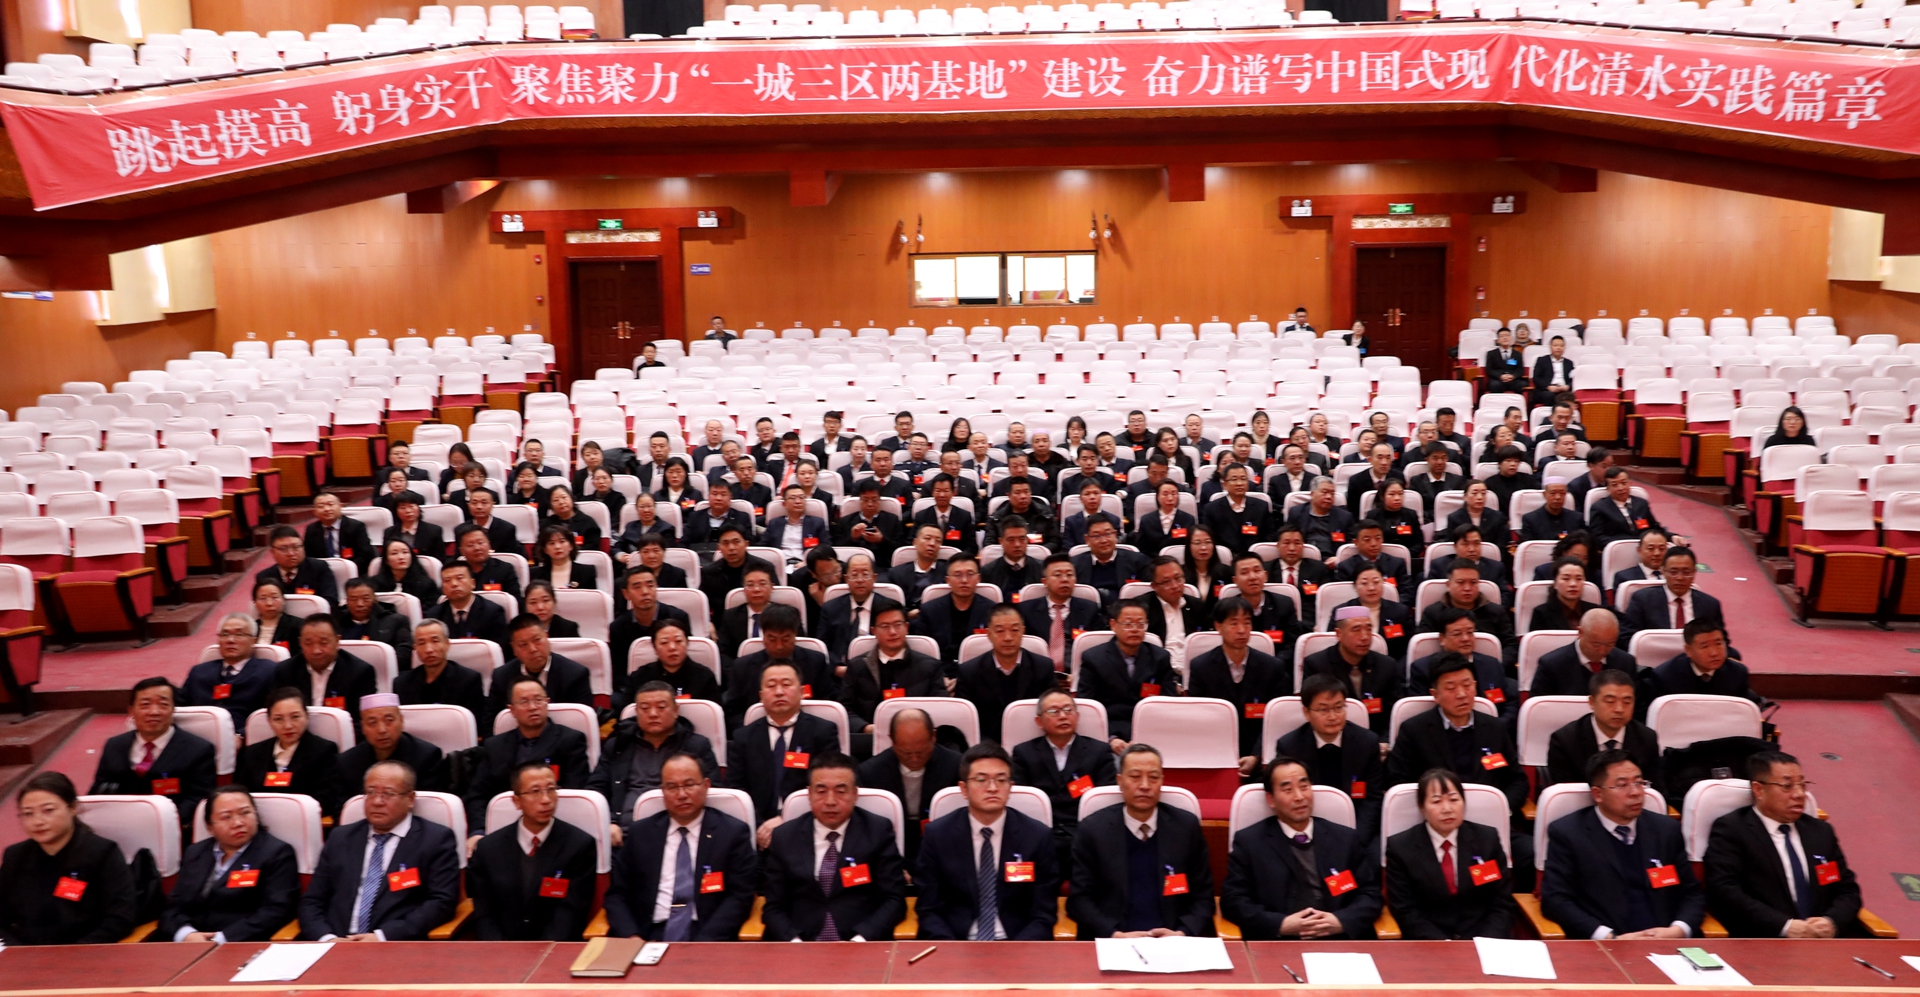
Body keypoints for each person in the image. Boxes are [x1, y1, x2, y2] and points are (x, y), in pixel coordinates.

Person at [1540, 749, 1705, 940]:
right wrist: (1608, 937)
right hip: (1607, 946)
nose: (1635, 792)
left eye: (1639, 783)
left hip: (1666, 941)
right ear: (1598, 794)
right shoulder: (1569, 833)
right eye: (1622, 785)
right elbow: (1555, 900)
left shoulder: (1666, 830)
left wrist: (1678, 930)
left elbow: (1692, 893)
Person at [1705, 750, 1865, 938]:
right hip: (1764, 939)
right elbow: (1724, 891)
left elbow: (1847, 890)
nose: (1799, 794)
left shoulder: (1821, 832)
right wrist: (1784, 926)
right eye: (1787, 786)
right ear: (1758, 790)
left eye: (1802, 785)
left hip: (1822, 941)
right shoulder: (1732, 830)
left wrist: (1832, 922)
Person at [1385, 653, 1528, 862]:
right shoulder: (1414, 730)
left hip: (1488, 827)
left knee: (1530, 853)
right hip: (1435, 829)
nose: (1461, 694)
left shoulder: (1494, 728)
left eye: (1467, 685)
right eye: (1451, 688)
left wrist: (1500, 808)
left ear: (1475, 686)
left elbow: (1517, 780)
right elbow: (1397, 782)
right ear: (1435, 694)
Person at [298, 760, 461, 941]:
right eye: (371, 792)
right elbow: (312, 900)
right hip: (336, 942)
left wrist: (382, 937)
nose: (377, 801)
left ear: (410, 799)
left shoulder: (435, 840)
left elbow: (441, 902)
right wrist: (326, 938)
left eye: (388, 794)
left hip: (394, 943)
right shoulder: (341, 837)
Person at [1221, 755, 1381, 939]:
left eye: (1304, 787)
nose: (1299, 797)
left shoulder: (1345, 838)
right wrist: (1280, 924)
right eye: (1288, 790)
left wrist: (1341, 921)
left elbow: (1371, 895)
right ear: (1271, 799)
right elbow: (1233, 901)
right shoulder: (1250, 842)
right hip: (1279, 943)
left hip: (1338, 940)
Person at [604, 751, 760, 940]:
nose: (682, 795)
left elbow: (740, 897)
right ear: (663, 791)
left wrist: (704, 944)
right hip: (649, 933)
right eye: (672, 787)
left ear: (706, 786)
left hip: (707, 933)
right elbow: (617, 894)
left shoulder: (731, 833)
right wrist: (631, 937)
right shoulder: (641, 834)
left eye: (689, 785)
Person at [914, 742, 1061, 940]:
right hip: (956, 941)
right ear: (964, 789)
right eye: (981, 779)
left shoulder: (1036, 836)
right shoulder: (938, 835)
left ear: (1010, 787)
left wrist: (1018, 951)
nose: (992, 788)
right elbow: (928, 909)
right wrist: (951, 950)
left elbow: (1044, 913)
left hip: (1017, 943)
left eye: (1001, 780)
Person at [1068, 744, 1215, 938]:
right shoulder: (1093, 830)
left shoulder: (1186, 827)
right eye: (1135, 776)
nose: (1145, 785)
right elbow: (1079, 900)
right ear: (1120, 781)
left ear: (1161, 781)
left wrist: (1182, 933)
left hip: (1174, 939)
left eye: (1153, 777)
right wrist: (1114, 934)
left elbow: (1204, 897)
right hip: (1114, 940)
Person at [761, 753, 908, 942]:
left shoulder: (877, 832)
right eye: (821, 791)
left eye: (841, 791)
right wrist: (794, 942)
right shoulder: (785, 837)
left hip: (861, 941)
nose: (830, 801)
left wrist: (861, 940)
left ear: (854, 795)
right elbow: (773, 907)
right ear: (809, 794)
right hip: (801, 941)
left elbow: (894, 900)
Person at [0, 771, 137, 945]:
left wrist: (74, 952)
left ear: (73, 808)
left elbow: (120, 917)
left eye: (48, 811)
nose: (38, 821)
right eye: (28, 814)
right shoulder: (15, 856)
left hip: (85, 952)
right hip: (25, 953)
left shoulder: (102, 852)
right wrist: (15, 950)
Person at [464, 762, 597, 941]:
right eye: (535, 791)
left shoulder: (579, 845)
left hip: (556, 947)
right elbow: (485, 913)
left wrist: (542, 950)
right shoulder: (488, 848)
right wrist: (498, 950)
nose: (546, 799)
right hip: (501, 948)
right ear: (517, 801)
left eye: (551, 789)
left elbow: (571, 912)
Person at [1385, 767, 1517, 940]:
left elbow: (1502, 904)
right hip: (1429, 941)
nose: (1447, 809)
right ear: (1422, 807)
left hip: (1484, 939)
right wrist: (1443, 945)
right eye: (1436, 801)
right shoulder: (1401, 848)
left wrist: (1485, 942)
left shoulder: (1487, 840)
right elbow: (1405, 911)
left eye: (1454, 799)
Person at [156, 785, 301, 943]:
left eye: (245, 813)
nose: (238, 823)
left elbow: (276, 910)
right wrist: (186, 934)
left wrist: (221, 939)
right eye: (226, 817)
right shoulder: (195, 852)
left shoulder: (276, 853)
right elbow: (173, 907)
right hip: (189, 943)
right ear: (210, 827)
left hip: (240, 942)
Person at [591, 682, 721, 842]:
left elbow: (713, 792)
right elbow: (596, 789)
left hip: (679, 833)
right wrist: (609, 822)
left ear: (675, 711)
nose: (653, 714)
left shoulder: (696, 746)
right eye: (645, 708)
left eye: (661, 707)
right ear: (637, 712)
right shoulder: (618, 745)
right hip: (623, 835)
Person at [463, 678, 591, 836]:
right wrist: (479, 831)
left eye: (538, 700)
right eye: (524, 702)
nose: (533, 707)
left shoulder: (570, 740)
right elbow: (478, 796)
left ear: (547, 703)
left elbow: (574, 793)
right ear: (512, 710)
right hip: (502, 828)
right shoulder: (495, 746)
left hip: (553, 826)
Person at [727, 662, 843, 836]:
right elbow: (736, 789)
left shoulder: (822, 732)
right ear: (761, 696)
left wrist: (786, 817)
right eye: (771, 686)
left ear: (802, 692)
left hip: (807, 826)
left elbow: (827, 784)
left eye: (786, 684)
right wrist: (760, 826)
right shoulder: (743, 737)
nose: (779, 692)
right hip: (757, 830)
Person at [90, 677, 216, 833]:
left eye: (163, 704)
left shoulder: (199, 749)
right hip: (118, 826)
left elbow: (198, 799)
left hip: (171, 828)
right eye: (145, 705)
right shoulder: (114, 745)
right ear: (131, 711)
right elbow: (99, 789)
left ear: (173, 709)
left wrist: (158, 822)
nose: (154, 712)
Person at [1185, 597, 1290, 774]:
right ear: (1218, 626)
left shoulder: (1272, 667)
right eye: (1234, 624)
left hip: (1262, 759)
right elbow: (1198, 720)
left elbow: (1277, 720)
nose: (1241, 630)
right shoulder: (1201, 667)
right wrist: (1222, 757)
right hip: (1214, 756)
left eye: (1247, 623)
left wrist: (1256, 756)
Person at [1275, 675, 1383, 842]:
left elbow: (1373, 799)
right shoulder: (1290, 747)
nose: (1333, 716)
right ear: (1306, 712)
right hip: (1309, 828)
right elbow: (1289, 799)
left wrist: (1356, 839)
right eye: (1323, 710)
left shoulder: (1367, 743)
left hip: (1358, 829)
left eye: (1339, 708)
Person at [857, 709, 960, 865]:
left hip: (944, 848)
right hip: (892, 848)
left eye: (921, 752)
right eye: (906, 753)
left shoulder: (956, 766)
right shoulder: (870, 772)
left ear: (933, 737)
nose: (914, 759)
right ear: (892, 740)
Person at [1076, 600, 1178, 746]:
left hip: (1151, 729)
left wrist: (1146, 737)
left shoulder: (1160, 657)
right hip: (1109, 730)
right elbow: (1089, 708)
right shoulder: (1093, 658)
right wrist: (1110, 739)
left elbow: (1168, 703)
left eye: (1140, 624)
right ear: (1113, 625)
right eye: (1128, 624)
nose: (1135, 629)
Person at [839, 604, 944, 740]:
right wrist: (865, 727)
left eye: (898, 625)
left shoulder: (930, 667)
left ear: (907, 627)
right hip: (869, 738)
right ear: (873, 631)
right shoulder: (857, 666)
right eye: (885, 626)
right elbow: (845, 709)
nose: (893, 632)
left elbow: (940, 709)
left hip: (916, 738)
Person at [957, 604, 1057, 744]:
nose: (1008, 637)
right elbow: (965, 721)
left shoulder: (1043, 667)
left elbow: (1053, 709)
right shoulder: (969, 671)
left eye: (1015, 630)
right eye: (1000, 631)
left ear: (1023, 632)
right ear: (989, 635)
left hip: (1034, 744)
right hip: (986, 746)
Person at [726, 603, 835, 727]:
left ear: (795, 635)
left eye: (785, 639)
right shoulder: (742, 667)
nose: (779, 646)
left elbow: (827, 704)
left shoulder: (815, 662)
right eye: (772, 639)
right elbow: (732, 711)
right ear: (763, 636)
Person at [236, 687, 341, 814]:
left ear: (306, 716)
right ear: (269, 721)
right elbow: (240, 795)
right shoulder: (252, 753)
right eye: (278, 719)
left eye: (295, 717)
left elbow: (327, 799)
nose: (288, 726)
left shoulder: (324, 751)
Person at [1547, 669, 1660, 787]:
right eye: (1610, 701)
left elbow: (1654, 787)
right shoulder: (1565, 741)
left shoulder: (1647, 738)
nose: (1619, 709)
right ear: (1592, 702)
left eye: (1627, 702)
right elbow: (1566, 793)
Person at [1302, 607, 1404, 738]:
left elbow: (1394, 713)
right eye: (1356, 630)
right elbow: (1316, 713)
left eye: (1368, 629)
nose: (1365, 637)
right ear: (1339, 634)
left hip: (1378, 738)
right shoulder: (1317, 665)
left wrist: (1383, 741)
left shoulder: (1387, 665)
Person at [1409, 606, 1517, 728]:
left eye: (1470, 633)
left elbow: (1509, 703)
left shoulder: (1491, 664)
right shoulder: (1423, 668)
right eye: (1457, 634)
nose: (1465, 639)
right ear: (1442, 639)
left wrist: (1497, 725)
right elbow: (1422, 710)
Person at [271, 614, 380, 732]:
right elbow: (277, 715)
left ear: (337, 641)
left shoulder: (360, 672)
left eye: (323, 642)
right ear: (300, 643)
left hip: (342, 737)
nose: (316, 650)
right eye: (308, 643)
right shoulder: (286, 671)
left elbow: (362, 722)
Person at [1637, 620, 1760, 719]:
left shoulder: (1737, 673)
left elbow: (1741, 715)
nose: (1714, 653)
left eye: (1719, 644)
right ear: (1688, 650)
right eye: (1705, 646)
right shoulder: (1665, 677)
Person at [180, 613, 280, 730]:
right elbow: (179, 708)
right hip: (199, 735)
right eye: (225, 634)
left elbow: (273, 714)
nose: (230, 640)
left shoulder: (268, 671)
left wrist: (242, 735)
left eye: (239, 634)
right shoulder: (198, 672)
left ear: (254, 640)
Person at [336, 695, 449, 795]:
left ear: (401, 721)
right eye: (372, 723)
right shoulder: (347, 762)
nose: (382, 730)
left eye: (389, 720)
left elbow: (428, 804)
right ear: (363, 727)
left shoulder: (426, 756)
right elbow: (342, 807)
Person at [487, 614, 595, 718]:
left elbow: (581, 722)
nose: (532, 649)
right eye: (523, 645)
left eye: (537, 640)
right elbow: (491, 723)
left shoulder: (575, 675)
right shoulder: (501, 677)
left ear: (547, 637)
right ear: (514, 649)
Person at [1016, 554, 1107, 674]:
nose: (1065, 579)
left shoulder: (1089, 609)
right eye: (1057, 575)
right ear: (1045, 581)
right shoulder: (1026, 609)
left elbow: (1100, 648)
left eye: (1069, 575)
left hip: (1078, 673)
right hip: (1037, 674)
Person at [1417, 559, 1517, 664]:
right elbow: (1424, 648)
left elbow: (1511, 646)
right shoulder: (1432, 613)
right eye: (1460, 582)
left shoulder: (1496, 611)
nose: (1467, 588)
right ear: (1448, 585)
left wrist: (1494, 666)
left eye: (1473, 583)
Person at [609, 566, 693, 689]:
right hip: (636, 687)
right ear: (626, 594)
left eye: (650, 585)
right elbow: (619, 672)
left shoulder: (678, 617)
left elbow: (684, 658)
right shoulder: (618, 627)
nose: (645, 592)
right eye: (637, 587)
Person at [912, 552, 995, 674]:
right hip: (939, 674)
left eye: (970, 574)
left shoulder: (992, 611)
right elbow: (923, 652)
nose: (964, 580)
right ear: (948, 580)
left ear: (978, 578)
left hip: (979, 675)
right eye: (957, 575)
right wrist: (941, 677)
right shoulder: (930, 610)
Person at [1530, 608, 1637, 698]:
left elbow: (1637, 707)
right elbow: (1540, 709)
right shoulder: (1551, 665)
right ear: (1580, 633)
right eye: (1596, 644)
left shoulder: (1626, 663)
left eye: (1610, 644)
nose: (1602, 651)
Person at [392, 619, 487, 721]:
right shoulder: (402, 683)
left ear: (447, 644)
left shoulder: (469, 680)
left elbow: (474, 723)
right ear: (415, 648)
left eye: (435, 641)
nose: (429, 649)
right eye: (422, 643)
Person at [622, 619, 722, 709]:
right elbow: (626, 713)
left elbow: (714, 715)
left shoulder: (704, 677)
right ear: (655, 648)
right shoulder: (640, 677)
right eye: (664, 642)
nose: (672, 647)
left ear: (687, 644)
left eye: (678, 641)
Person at [424, 560, 511, 652]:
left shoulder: (492, 612)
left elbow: (500, 651)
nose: (454, 584)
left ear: (473, 583)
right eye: (447, 580)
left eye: (459, 578)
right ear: (442, 588)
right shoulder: (434, 615)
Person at [258, 525, 339, 609]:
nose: (291, 553)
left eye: (296, 547)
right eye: (284, 549)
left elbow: (330, 602)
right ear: (272, 552)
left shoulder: (319, 568)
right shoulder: (265, 577)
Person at [1589, 467, 1665, 550]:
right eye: (1615, 485)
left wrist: (1671, 536)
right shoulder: (1599, 508)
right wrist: (1622, 546)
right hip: (1617, 550)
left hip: (1646, 549)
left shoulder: (1641, 504)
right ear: (1608, 489)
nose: (1621, 488)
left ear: (1629, 483)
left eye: (1624, 483)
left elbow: (1654, 528)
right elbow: (1597, 537)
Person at [339, 577, 413, 661]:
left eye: (366, 598)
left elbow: (403, 653)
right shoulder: (335, 621)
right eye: (354, 599)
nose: (360, 604)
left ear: (375, 599)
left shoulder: (397, 621)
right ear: (347, 601)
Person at [1284, 477, 1355, 559]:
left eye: (1332, 494)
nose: (1329, 497)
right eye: (1324, 492)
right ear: (1312, 494)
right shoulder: (1297, 513)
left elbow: (1350, 545)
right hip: (1304, 559)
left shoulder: (1344, 517)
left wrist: (1339, 558)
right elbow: (1288, 539)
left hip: (1332, 559)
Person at [305, 491, 374, 576]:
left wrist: (347, 570)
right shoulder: (312, 529)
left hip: (353, 571)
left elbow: (365, 555)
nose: (327, 509)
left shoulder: (355, 526)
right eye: (321, 506)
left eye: (330, 504)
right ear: (314, 511)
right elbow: (309, 556)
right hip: (323, 573)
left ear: (341, 506)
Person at [1529, 558, 1605, 633]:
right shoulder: (1541, 613)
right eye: (1566, 579)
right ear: (1555, 583)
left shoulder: (1595, 612)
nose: (1573, 584)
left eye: (1579, 579)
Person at [886, 523, 951, 610]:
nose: (932, 543)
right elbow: (890, 606)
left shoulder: (949, 572)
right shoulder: (896, 573)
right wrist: (908, 614)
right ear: (915, 542)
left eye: (938, 541)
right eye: (927, 538)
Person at [982, 517, 1047, 593]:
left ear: (1027, 540)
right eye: (1011, 539)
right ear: (1001, 541)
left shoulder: (1043, 569)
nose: (1017, 544)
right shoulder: (987, 572)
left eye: (1022, 539)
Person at [378, 492, 444, 562]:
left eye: (411, 506)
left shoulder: (434, 531)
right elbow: (386, 558)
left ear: (418, 508)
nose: (408, 511)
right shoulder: (389, 532)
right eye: (403, 507)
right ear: (396, 511)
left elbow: (439, 560)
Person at [372, 538, 441, 604]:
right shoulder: (374, 584)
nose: (401, 557)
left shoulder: (426, 584)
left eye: (405, 552)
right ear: (386, 560)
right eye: (394, 553)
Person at [531, 527, 595, 593]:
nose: (557, 547)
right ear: (545, 550)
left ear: (571, 545)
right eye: (551, 543)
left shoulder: (587, 572)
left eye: (562, 541)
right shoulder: (535, 574)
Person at [1531, 334, 1576, 407]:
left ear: (1564, 348)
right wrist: (1548, 387)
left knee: (1569, 397)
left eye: (1561, 346)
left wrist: (1568, 386)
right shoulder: (1541, 360)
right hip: (1546, 390)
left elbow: (1573, 379)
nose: (1558, 348)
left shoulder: (1569, 363)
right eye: (1555, 345)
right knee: (1549, 396)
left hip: (1563, 390)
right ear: (1550, 347)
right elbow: (1536, 378)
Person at [1483, 327, 1527, 394]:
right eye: (1502, 336)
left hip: (1513, 380)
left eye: (1507, 335)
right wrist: (1500, 376)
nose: (1505, 338)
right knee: (1494, 385)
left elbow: (1520, 370)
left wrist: (1513, 376)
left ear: (1511, 338)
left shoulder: (1518, 354)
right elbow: (1490, 369)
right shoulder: (1491, 354)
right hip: (1498, 380)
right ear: (1498, 340)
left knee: (1523, 384)